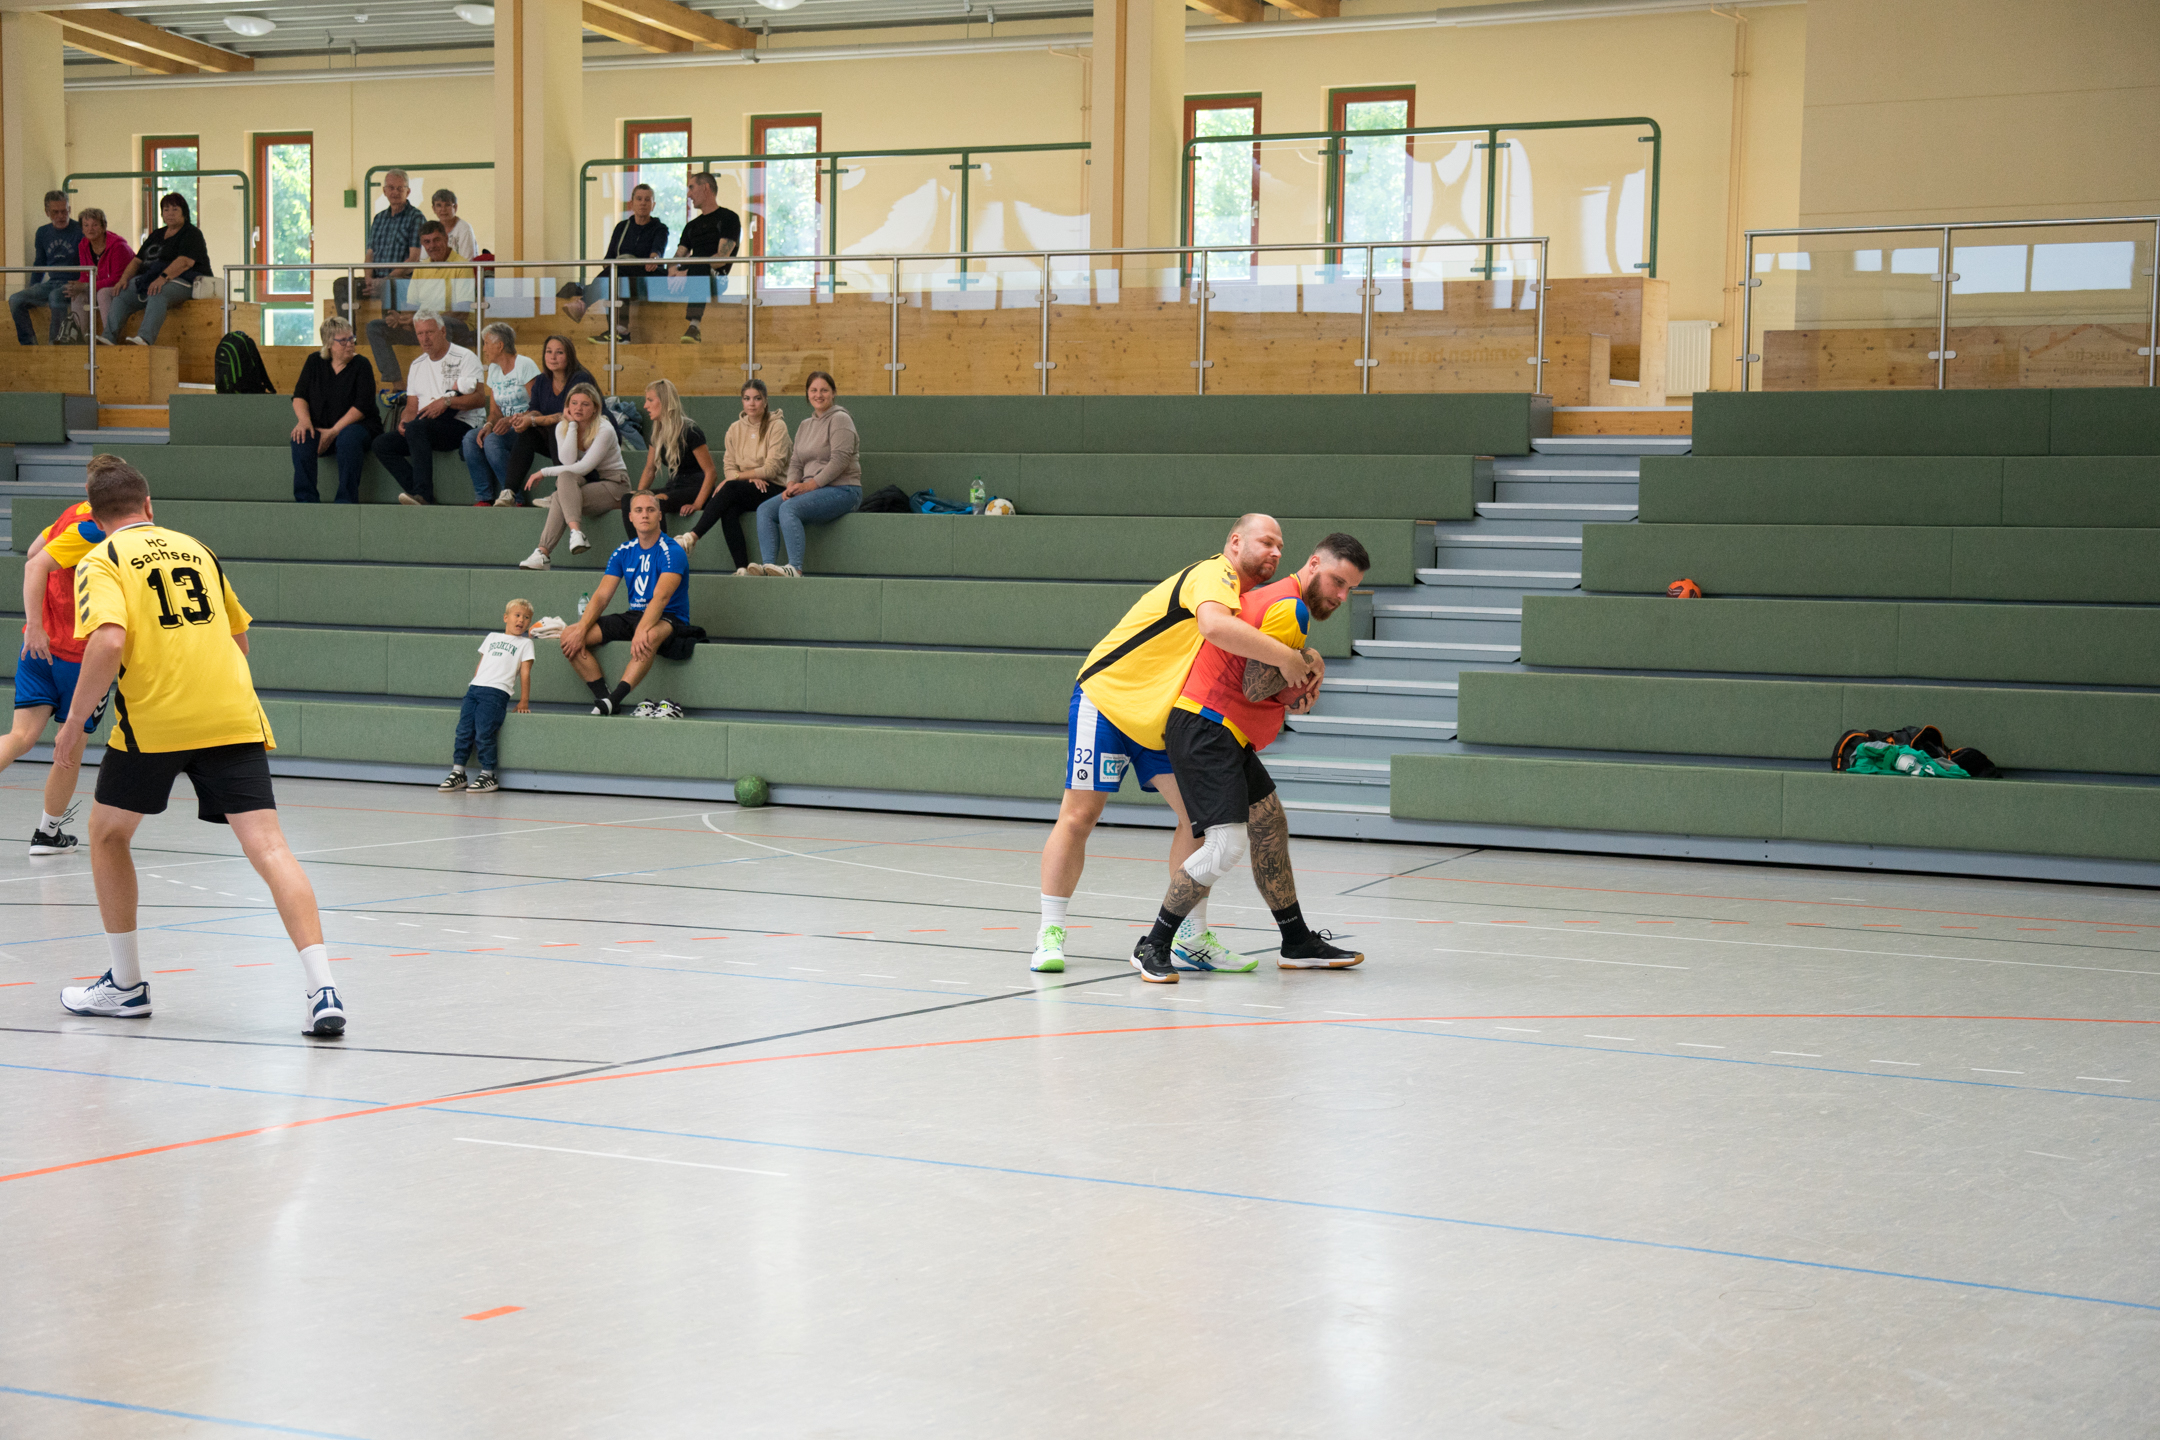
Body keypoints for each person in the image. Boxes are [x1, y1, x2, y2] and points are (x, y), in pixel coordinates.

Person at [50, 456, 346, 1038]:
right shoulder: (196, 549)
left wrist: (74, 722)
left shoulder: (101, 559)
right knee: (270, 847)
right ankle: (324, 990)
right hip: (232, 713)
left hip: (156, 719)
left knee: (107, 834)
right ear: (148, 504)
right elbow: (239, 640)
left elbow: (108, 641)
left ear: (95, 517)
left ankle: (127, 986)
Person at [1030, 514, 1314, 976]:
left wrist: (1296, 684)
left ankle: (1190, 938)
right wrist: (1288, 658)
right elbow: (1213, 627)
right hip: (1108, 700)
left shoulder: (1248, 603)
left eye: (1281, 546)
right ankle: (1050, 931)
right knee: (1079, 816)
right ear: (1235, 541)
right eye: (1266, 542)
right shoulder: (1215, 575)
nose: (1276, 552)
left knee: (1199, 824)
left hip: (1161, 720)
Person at [1129, 531, 1372, 984]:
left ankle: (1296, 941)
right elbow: (1257, 687)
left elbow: (1259, 678)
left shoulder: (1277, 598)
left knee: (1269, 825)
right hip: (1205, 727)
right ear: (1314, 565)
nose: (1341, 596)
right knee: (1226, 844)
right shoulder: (1290, 607)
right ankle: (1154, 944)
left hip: (1222, 730)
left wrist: (1300, 669)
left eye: (1350, 589)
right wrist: (1303, 665)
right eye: (1338, 582)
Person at [4, 499, 111, 856]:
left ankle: (50, 834)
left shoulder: (73, 513)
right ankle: (48, 834)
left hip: (38, 647)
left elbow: (35, 550)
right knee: (69, 750)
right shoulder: (98, 528)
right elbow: (35, 562)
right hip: (80, 657)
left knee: (20, 737)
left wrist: (38, 624)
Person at [560, 491, 690, 716]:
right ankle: (605, 698)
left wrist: (642, 630)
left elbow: (661, 598)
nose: (644, 515)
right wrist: (581, 630)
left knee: (648, 636)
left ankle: (614, 699)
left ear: (660, 515)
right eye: (638, 510)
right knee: (569, 636)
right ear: (630, 517)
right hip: (634, 614)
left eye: (650, 510)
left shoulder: (672, 551)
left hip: (669, 616)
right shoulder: (623, 551)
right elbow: (601, 597)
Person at [371, 311, 486, 505]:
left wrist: (446, 402)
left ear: (443, 331)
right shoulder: (417, 365)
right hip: (425, 427)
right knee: (382, 444)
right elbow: (411, 406)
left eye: (430, 332)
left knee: (418, 427)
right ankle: (417, 493)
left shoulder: (465, 357)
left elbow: (479, 399)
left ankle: (423, 494)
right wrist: (404, 420)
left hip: (462, 424)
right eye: (420, 333)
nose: (425, 338)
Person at [754, 372, 859, 577]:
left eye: (824, 390)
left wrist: (809, 486)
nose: (818, 395)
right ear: (807, 394)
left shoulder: (841, 419)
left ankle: (795, 568)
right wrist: (791, 485)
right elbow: (796, 461)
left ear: (833, 393)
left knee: (789, 508)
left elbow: (840, 461)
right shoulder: (805, 425)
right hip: (811, 489)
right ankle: (768, 567)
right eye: (813, 390)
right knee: (765, 510)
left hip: (843, 489)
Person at [518, 383, 629, 569]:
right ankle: (574, 535)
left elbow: (583, 467)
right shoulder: (562, 427)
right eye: (574, 403)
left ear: (595, 408)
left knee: (559, 497)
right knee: (564, 479)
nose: (578, 408)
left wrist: (543, 472)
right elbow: (567, 461)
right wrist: (572, 426)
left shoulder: (605, 429)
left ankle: (543, 553)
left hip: (614, 484)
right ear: (567, 406)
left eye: (585, 404)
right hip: (587, 483)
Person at [687, 379, 790, 571]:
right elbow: (729, 467)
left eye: (757, 398)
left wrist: (740, 476)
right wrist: (749, 478)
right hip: (748, 488)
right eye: (747, 398)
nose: (752, 403)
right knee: (729, 508)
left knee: (730, 486)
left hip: (775, 488)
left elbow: (771, 470)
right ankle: (742, 568)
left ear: (765, 401)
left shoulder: (777, 426)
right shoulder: (734, 429)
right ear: (742, 401)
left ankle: (693, 536)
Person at [440, 599, 534, 794]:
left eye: (526, 618)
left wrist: (524, 701)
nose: (521, 620)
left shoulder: (526, 643)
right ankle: (458, 772)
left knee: (484, 732)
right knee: (464, 730)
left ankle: (489, 774)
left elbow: (525, 673)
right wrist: (475, 682)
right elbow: (482, 663)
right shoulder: (492, 637)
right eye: (517, 615)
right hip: (475, 689)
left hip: (496, 692)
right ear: (506, 617)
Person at [365, 221, 477, 385]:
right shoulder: (421, 267)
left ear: (446, 239)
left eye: (436, 240)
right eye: (427, 242)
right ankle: (397, 385)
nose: (432, 246)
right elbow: (411, 308)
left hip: (458, 329)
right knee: (375, 327)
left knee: (443, 324)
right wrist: (402, 319)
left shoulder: (462, 265)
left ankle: (443, 384)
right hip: (425, 328)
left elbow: (461, 312)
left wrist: (422, 321)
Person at [496, 334, 595, 507]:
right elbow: (535, 409)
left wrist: (533, 421)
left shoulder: (580, 378)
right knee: (529, 433)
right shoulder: (542, 380)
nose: (553, 357)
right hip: (558, 441)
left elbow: (569, 415)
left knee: (557, 427)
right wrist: (524, 418)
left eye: (559, 353)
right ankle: (508, 493)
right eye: (549, 352)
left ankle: (561, 492)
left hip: (586, 438)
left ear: (569, 356)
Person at [563, 182, 669, 342]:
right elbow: (609, 258)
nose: (643, 203)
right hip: (622, 277)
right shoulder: (622, 227)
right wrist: (611, 268)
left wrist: (653, 259)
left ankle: (585, 305)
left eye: (647, 200)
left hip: (647, 279)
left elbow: (657, 252)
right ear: (631, 203)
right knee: (617, 275)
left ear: (653, 205)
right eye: (639, 199)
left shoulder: (660, 228)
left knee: (619, 272)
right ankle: (620, 332)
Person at [288, 316, 378, 504]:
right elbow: (299, 396)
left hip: (358, 426)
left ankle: (345, 500)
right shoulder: (314, 361)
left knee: (348, 438)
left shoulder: (362, 365)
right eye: (343, 341)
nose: (350, 344)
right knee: (301, 437)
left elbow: (362, 406)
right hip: (321, 425)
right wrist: (304, 421)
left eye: (351, 338)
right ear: (329, 344)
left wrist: (334, 431)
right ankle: (306, 500)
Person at [101, 192, 210, 347]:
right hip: (151, 278)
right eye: (166, 210)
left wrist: (162, 278)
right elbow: (137, 261)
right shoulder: (157, 234)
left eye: (175, 209)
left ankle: (144, 338)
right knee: (123, 292)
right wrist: (123, 280)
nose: (170, 213)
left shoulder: (192, 234)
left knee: (158, 291)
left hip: (185, 281)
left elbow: (185, 262)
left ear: (184, 212)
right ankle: (108, 337)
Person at [622, 379, 716, 532]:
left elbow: (711, 472)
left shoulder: (690, 430)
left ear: (664, 401)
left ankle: (661, 546)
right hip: (673, 486)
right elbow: (650, 469)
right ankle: (639, 545)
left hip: (695, 487)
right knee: (629, 499)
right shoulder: (657, 431)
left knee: (656, 502)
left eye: (650, 400)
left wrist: (697, 504)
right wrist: (639, 498)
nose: (645, 406)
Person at [464, 323, 539, 504]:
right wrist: (489, 424)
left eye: (486, 343)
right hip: (504, 426)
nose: (484, 349)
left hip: (526, 427)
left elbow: (538, 406)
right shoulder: (494, 369)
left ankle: (515, 497)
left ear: (500, 345)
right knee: (470, 439)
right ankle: (484, 497)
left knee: (492, 441)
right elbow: (495, 412)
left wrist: (511, 420)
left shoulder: (525, 365)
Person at [334, 168, 424, 318]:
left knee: (390, 287)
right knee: (342, 284)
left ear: (408, 192)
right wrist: (369, 280)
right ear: (384, 191)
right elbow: (370, 254)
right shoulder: (378, 218)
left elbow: (413, 259)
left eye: (400, 188)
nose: (395, 192)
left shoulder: (416, 217)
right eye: (391, 188)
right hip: (375, 281)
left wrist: (384, 282)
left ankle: (386, 329)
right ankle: (348, 331)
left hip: (401, 282)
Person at [670, 170, 740, 345]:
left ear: (706, 187)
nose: (689, 194)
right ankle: (621, 329)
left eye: (691, 188)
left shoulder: (728, 218)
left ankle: (694, 326)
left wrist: (688, 273)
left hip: (715, 278)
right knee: (650, 271)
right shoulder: (692, 226)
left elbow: (721, 259)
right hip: (689, 275)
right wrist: (672, 270)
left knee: (700, 263)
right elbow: (679, 255)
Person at [9, 190, 82, 346]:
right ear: (47, 212)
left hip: (73, 282)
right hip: (51, 282)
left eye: (64, 211)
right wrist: (33, 287)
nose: (61, 216)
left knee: (55, 297)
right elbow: (40, 263)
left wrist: (81, 285)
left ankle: (55, 344)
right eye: (55, 212)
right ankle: (29, 345)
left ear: (69, 209)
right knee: (15, 299)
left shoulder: (80, 230)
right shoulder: (42, 232)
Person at [67, 207, 133, 344]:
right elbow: (85, 275)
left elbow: (116, 279)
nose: (90, 229)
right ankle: (79, 339)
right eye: (86, 225)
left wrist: (86, 286)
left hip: (126, 286)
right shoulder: (83, 245)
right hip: (99, 286)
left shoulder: (118, 246)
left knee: (102, 294)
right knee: (77, 294)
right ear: (82, 229)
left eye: (95, 225)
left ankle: (110, 338)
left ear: (103, 227)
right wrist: (78, 286)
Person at [431, 187, 479, 260]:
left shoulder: (465, 229)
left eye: (447, 205)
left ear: (455, 207)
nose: (443, 209)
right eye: (439, 205)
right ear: (434, 209)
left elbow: (466, 261)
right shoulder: (432, 230)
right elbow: (424, 260)